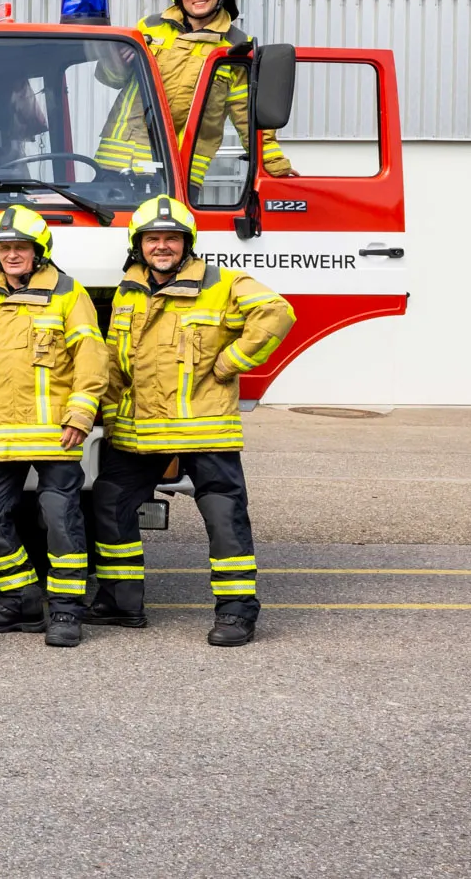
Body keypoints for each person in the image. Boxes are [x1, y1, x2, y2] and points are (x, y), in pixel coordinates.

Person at [89, 195, 294, 647]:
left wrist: (229, 363)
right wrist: (104, 410)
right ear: (138, 245)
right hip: (139, 427)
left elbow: (278, 312)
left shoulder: (223, 282)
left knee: (224, 515)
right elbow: (114, 360)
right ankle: (121, 603)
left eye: (172, 239)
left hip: (203, 425)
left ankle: (237, 613)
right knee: (108, 502)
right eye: (153, 239)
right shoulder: (129, 290)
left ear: (188, 243)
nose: (162, 246)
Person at [0, 205, 110, 648]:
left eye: (20, 247)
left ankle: (66, 611)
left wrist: (80, 412)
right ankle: (21, 599)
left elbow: (91, 359)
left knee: (59, 517)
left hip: (56, 433)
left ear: (39, 252)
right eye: (4, 247)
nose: (12, 254)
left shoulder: (68, 294)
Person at [94, 0, 294, 182]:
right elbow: (112, 79)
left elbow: (246, 113)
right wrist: (114, 61)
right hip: (118, 163)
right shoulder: (149, 28)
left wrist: (273, 165)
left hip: (179, 171)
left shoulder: (237, 46)